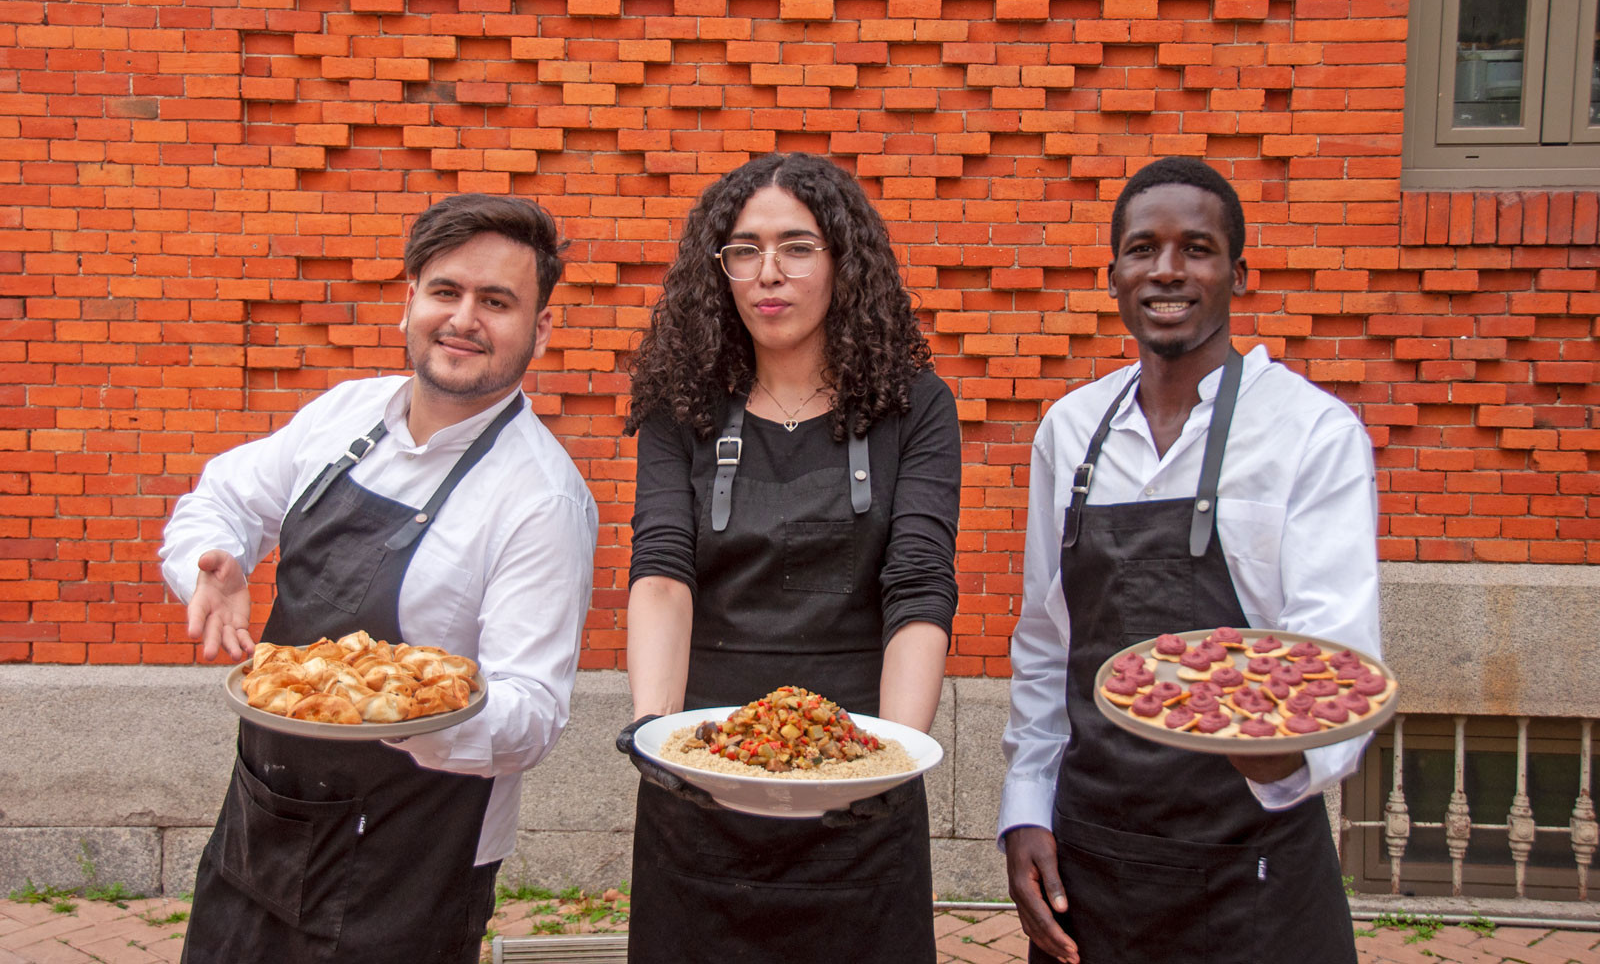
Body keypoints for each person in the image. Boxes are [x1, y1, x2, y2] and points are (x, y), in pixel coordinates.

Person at [160, 193, 599, 964]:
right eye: (446, 291)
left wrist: (400, 713)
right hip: (263, 820)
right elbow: (221, 499)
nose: (464, 317)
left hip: (410, 858)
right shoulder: (344, 414)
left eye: (496, 301)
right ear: (410, 301)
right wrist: (209, 565)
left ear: (540, 328)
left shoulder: (542, 498)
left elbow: (533, 713)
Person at [999, 157, 1379, 964]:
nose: (1167, 270)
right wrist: (1026, 807)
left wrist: (1277, 748)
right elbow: (1045, 643)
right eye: (1143, 249)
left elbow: (1336, 663)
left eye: (1197, 248)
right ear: (1113, 276)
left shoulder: (1312, 433)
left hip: (1253, 868)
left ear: (1237, 272)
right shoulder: (1069, 431)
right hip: (1095, 864)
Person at [615, 152, 961, 963]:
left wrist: (888, 761)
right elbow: (663, 568)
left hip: (858, 771)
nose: (769, 272)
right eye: (745, 250)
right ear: (722, 269)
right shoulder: (682, 404)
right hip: (705, 769)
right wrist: (657, 735)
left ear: (843, 259)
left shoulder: (916, 404)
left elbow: (918, 584)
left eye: (798, 247)